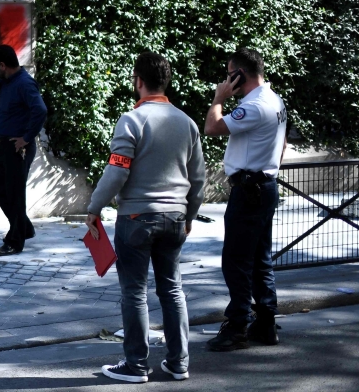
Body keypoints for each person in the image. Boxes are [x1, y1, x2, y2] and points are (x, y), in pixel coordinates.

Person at [87, 52, 205, 383]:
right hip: (175, 217)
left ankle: (136, 365)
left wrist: (94, 207)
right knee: (172, 289)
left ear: (138, 81)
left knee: (135, 292)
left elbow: (117, 171)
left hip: (137, 217)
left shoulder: (132, 120)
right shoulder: (187, 123)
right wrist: (190, 214)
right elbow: (198, 179)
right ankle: (179, 363)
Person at [204, 48, 287, 352]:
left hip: (249, 190)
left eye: (230, 74)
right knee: (260, 258)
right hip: (265, 186)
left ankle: (237, 326)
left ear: (240, 74)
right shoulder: (275, 100)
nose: (227, 80)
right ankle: (265, 322)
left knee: (236, 261)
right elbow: (282, 143)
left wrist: (219, 98)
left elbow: (212, 127)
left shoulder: (254, 106)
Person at [0, 44, 47, 257]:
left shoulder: (24, 83)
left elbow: (40, 110)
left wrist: (26, 138)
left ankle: (15, 241)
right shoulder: (8, 81)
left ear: (2, 65)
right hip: (6, 145)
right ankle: (24, 227)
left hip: (18, 148)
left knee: (15, 194)